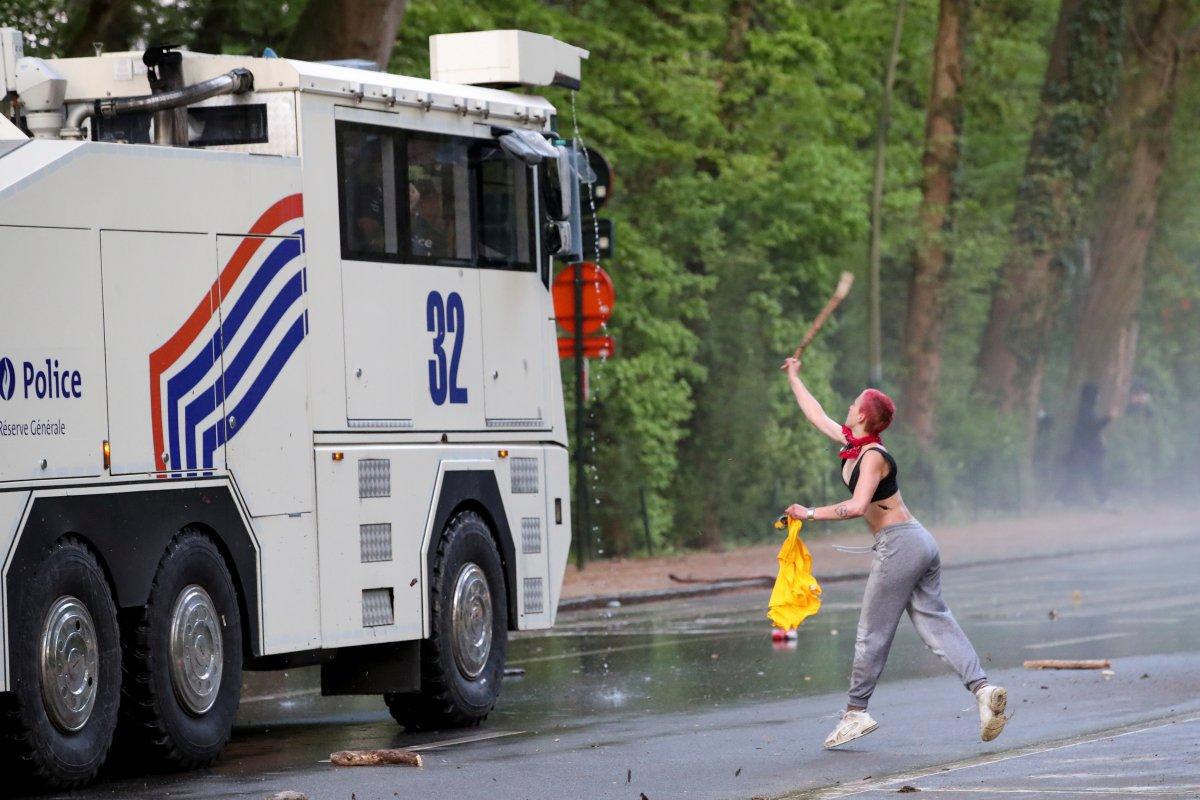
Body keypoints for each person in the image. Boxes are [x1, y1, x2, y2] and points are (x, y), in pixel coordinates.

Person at [779, 357, 1008, 749]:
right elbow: (817, 416)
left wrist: (809, 512)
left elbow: (855, 506)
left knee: (872, 631)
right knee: (935, 623)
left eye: (854, 404)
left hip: (901, 544)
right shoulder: (855, 446)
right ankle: (983, 691)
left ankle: (856, 712)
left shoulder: (873, 457)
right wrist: (794, 378)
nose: (848, 408)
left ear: (863, 415)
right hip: (915, 542)